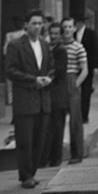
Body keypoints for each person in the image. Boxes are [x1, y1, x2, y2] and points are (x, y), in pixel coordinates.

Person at [5, 9, 53, 188]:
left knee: (39, 140)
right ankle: (25, 175)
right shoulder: (16, 45)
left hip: (43, 100)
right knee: (25, 140)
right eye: (34, 23)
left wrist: (48, 78)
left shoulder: (45, 45)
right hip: (25, 100)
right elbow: (10, 71)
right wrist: (33, 80)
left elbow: (52, 67)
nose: (38, 27)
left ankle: (31, 172)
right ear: (26, 25)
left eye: (40, 23)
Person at [41, 21, 68, 168]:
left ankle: (55, 159)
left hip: (57, 94)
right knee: (51, 128)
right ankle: (50, 157)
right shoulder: (49, 47)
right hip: (51, 93)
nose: (53, 36)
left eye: (56, 34)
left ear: (61, 35)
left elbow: (60, 72)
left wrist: (47, 78)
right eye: (51, 33)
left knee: (57, 128)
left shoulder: (60, 50)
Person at [61, 17, 88, 164]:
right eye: (64, 27)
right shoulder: (57, 45)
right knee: (57, 119)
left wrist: (75, 84)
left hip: (72, 80)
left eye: (70, 27)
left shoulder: (79, 47)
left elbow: (85, 70)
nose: (67, 30)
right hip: (59, 82)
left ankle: (76, 154)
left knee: (75, 121)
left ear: (74, 28)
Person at [72, 12, 98, 124]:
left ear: (81, 23)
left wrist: (96, 66)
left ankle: (84, 115)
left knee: (86, 91)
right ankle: (76, 113)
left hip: (87, 66)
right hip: (75, 67)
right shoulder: (73, 34)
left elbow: (96, 50)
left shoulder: (91, 34)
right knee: (76, 92)